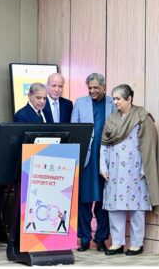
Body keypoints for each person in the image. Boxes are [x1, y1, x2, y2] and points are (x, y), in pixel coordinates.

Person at [100, 84, 159, 256]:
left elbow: (149, 146)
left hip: (136, 171)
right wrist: (103, 166)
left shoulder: (142, 117)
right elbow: (104, 144)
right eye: (114, 99)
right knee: (114, 208)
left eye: (118, 99)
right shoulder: (111, 119)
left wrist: (144, 168)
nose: (115, 102)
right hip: (114, 171)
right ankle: (117, 243)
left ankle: (136, 244)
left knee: (136, 208)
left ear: (129, 99)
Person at [71, 73, 116, 252]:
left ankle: (101, 238)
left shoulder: (113, 103)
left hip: (107, 159)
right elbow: (75, 130)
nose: (92, 91)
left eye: (95, 87)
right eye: (89, 87)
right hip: (87, 160)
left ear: (104, 87)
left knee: (104, 201)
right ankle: (83, 238)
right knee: (84, 200)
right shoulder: (80, 103)